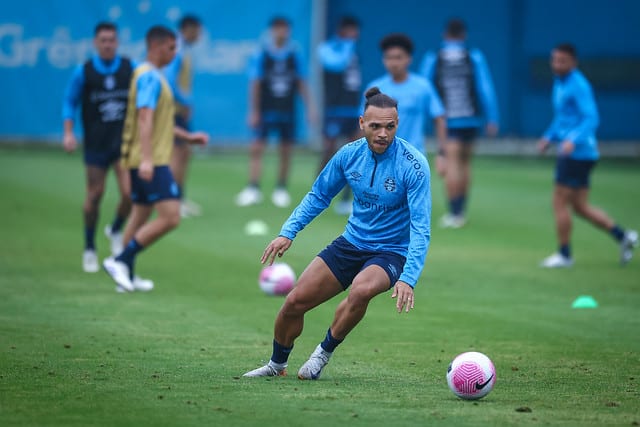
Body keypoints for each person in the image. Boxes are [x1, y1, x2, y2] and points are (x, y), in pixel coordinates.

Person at [243, 87, 431, 379]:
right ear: (361, 123)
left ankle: (322, 354)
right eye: (375, 126)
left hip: (391, 251)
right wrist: (287, 232)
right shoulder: (348, 155)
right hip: (351, 243)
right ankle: (277, 366)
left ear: (397, 124)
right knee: (294, 303)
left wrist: (409, 277)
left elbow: (421, 227)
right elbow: (319, 195)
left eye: (390, 126)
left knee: (362, 289)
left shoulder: (414, 165)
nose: (383, 133)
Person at [102, 26, 209, 292]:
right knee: (171, 217)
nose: (175, 53)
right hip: (150, 160)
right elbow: (145, 118)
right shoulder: (149, 77)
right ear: (157, 47)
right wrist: (149, 160)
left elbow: (160, 122)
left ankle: (125, 273)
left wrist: (187, 137)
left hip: (141, 159)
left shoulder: (149, 75)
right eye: (171, 48)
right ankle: (121, 260)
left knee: (140, 215)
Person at [537, 43, 637, 268]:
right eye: (554, 60)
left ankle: (564, 255)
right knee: (580, 207)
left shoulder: (578, 85)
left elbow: (591, 118)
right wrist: (549, 136)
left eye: (562, 61)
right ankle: (623, 237)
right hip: (576, 152)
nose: (557, 65)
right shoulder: (559, 83)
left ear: (574, 62)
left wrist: (573, 140)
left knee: (559, 202)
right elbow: (562, 117)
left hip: (577, 154)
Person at [62, 22, 135, 273]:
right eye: (103, 40)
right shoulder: (84, 71)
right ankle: (90, 247)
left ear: (117, 42)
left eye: (112, 40)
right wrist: (69, 133)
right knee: (95, 195)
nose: (107, 44)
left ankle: (115, 229)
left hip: (122, 144)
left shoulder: (129, 68)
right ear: (96, 42)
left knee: (130, 193)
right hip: (96, 144)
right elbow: (69, 102)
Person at [420, 19, 499, 229]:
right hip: (471, 119)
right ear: (463, 35)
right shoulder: (474, 57)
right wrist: (492, 118)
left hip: (448, 120)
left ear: (445, 35)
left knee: (452, 163)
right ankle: (461, 210)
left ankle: (455, 213)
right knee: (465, 164)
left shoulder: (433, 58)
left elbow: (423, 89)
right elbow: (485, 88)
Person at [235, 16, 317, 208]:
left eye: (285, 28)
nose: (282, 32)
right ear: (272, 31)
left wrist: (310, 108)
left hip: (287, 109)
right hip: (265, 109)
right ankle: (253, 188)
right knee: (257, 147)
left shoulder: (295, 55)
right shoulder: (261, 54)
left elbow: (302, 83)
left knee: (286, 150)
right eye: (278, 28)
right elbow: (255, 84)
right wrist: (253, 111)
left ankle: (281, 189)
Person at [364, 33, 446, 169]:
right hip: (381, 158)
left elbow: (439, 118)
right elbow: (364, 125)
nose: (394, 63)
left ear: (409, 59)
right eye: (389, 58)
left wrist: (442, 154)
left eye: (398, 58)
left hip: (414, 158)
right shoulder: (375, 88)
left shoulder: (422, 87)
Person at [317, 16, 362, 215]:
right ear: (343, 30)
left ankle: (346, 199)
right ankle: (318, 193)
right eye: (352, 30)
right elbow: (336, 65)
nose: (355, 35)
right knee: (329, 150)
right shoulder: (329, 48)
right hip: (334, 109)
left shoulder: (352, 50)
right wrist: (347, 46)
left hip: (352, 110)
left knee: (355, 154)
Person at [163, 14, 203, 218]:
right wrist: (186, 101)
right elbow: (169, 81)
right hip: (174, 111)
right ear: (189, 29)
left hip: (178, 111)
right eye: (198, 30)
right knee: (177, 156)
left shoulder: (181, 48)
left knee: (184, 154)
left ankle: (178, 198)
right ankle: (172, 201)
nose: (200, 35)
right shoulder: (176, 48)